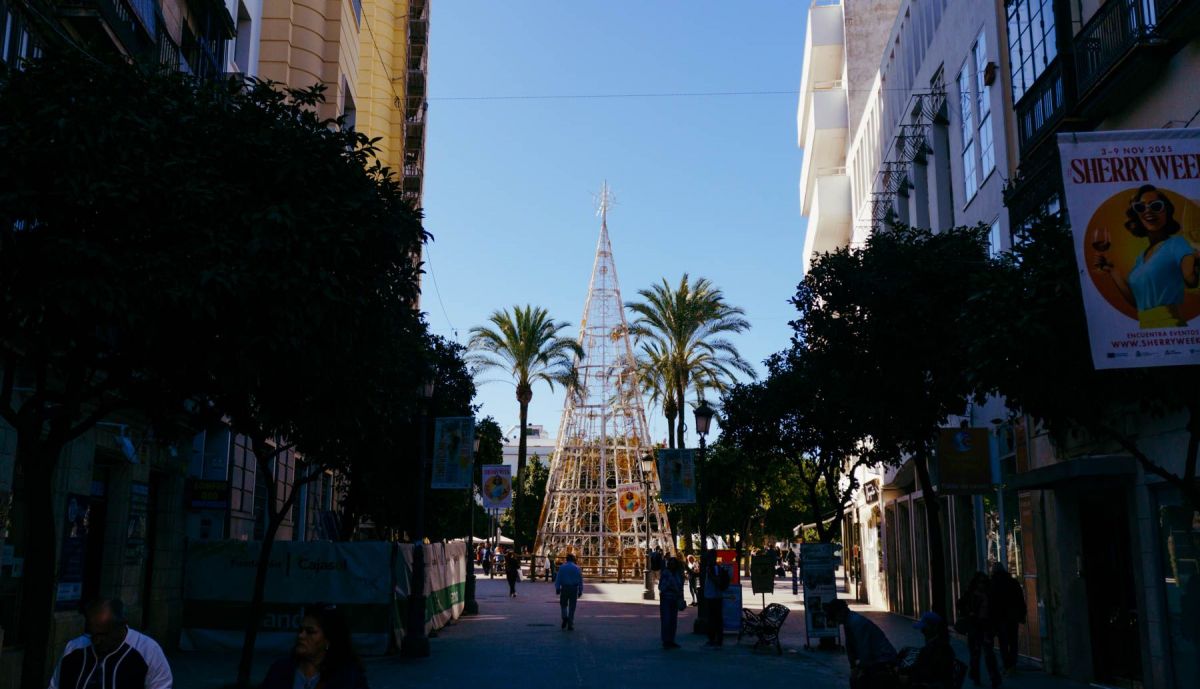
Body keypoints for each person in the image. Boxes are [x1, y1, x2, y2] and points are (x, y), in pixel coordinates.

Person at [1097, 184, 1199, 328]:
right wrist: (1113, 271)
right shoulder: (1141, 257)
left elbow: (1191, 279)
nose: (1148, 211)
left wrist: (1194, 262)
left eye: (1156, 206)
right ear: (1137, 215)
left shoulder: (1177, 243)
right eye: (1140, 207)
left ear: (1167, 212)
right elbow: (1138, 302)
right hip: (1146, 328)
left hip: (1170, 325)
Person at [50, 598, 173, 689]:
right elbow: (55, 686)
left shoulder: (148, 650)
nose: (97, 641)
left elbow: (161, 685)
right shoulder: (74, 648)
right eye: (93, 634)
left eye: (103, 635)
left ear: (121, 626)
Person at [261, 603, 368, 689]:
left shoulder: (348, 677)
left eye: (310, 632)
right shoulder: (281, 670)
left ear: (328, 640)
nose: (301, 636)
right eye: (300, 630)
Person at [825, 599, 898, 689]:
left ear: (840, 613)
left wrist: (860, 669)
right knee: (856, 680)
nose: (835, 621)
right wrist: (853, 666)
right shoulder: (848, 621)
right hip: (875, 658)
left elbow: (864, 649)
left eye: (834, 617)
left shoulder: (856, 622)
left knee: (861, 681)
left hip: (883, 658)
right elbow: (850, 646)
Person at [959, 572, 1001, 688]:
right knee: (975, 654)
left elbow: (995, 611)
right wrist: (969, 613)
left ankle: (994, 678)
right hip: (975, 626)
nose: (981, 585)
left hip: (986, 626)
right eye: (979, 582)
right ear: (976, 583)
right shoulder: (971, 595)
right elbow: (960, 604)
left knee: (989, 654)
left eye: (983, 582)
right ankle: (975, 676)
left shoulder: (989, 595)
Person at [988, 564, 1025, 673]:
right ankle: (1012, 664)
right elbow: (1020, 599)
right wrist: (1022, 614)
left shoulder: (992, 584)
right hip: (1012, 617)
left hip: (999, 618)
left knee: (1003, 642)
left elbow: (991, 604)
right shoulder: (1013, 582)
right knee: (1013, 641)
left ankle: (1007, 665)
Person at [907, 611, 958, 689]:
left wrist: (908, 678)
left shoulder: (936, 649)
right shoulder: (941, 646)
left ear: (934, 627)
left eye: (925, 629)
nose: (922, 631)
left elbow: (928, 674)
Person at [658, 556, 685, 649]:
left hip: (675, 598)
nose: (673, 565)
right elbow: (661, 587)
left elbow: (681, 587)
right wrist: (670, 584)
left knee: (673, 620)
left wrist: (681, 597)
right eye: (671, 564)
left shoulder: (678, 574)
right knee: (666, 619)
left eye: (674, 564)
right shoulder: (666, 573)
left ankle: (671, 639)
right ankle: (666, 640)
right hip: (666, 598)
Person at [702, 552, 727, 647]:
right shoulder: (714, 567)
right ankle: (716, 638)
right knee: (716, 618)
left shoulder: (713, 568)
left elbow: (716, 580)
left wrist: (712, 577)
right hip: (714, 596)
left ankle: (714, 638)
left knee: (714, 618)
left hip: (714, 596)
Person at [555, 553, 584, 630]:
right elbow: (580, 580)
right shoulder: (577, 568)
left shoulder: (562, 567)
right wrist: (581, 590)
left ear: (566, 559)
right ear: (573, 559)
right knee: (572, 606)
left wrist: (557, 588)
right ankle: (570, 623)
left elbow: (558, 578)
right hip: (574, 588)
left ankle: (564, 617)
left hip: (564, 588)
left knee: (563, 604)